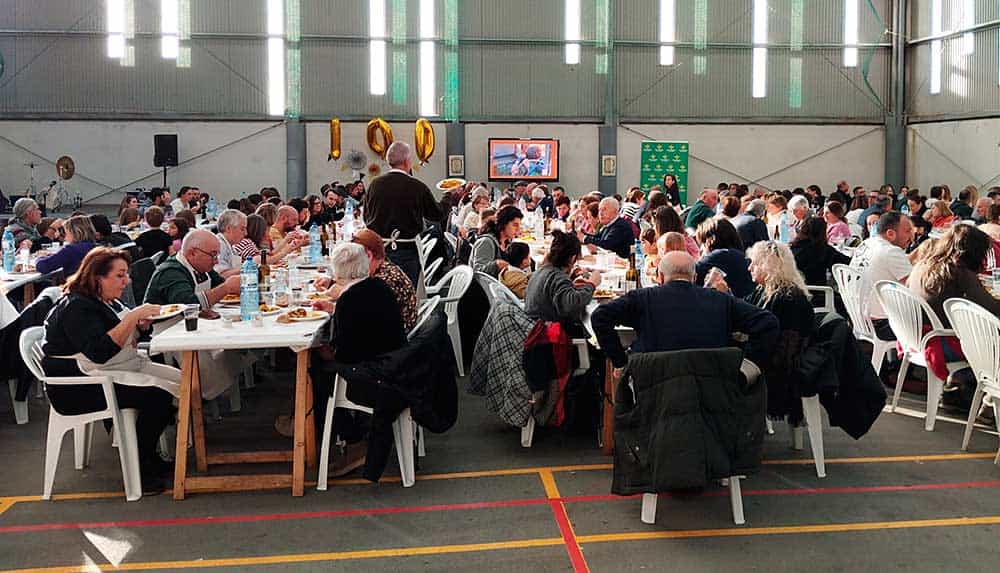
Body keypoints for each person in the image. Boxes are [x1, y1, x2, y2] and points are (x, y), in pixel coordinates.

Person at [41, 247, 178, 493]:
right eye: (120, 275)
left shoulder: (104, 301)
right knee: (158, 398)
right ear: (97, 278)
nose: (127, 281)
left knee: (182, 383)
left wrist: (141, 325)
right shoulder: (77, 307)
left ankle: (147, 456)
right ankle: (140, 467)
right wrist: (133, 317)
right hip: (78, 386)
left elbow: (121, 336)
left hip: (106, 371)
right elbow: (100, 351)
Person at [309, 243, 408, 476]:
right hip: (395, 362)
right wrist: (334, 310)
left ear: (338, 272)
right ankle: (321, 429)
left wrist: (323, 350)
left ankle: (350, 439)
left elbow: (346, 354)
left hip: (376, 373)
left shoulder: (350, 299)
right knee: (319, 364)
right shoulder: (377, 286)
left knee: (317, 373)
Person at [591, 251, 778, 370]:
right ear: (694, 276)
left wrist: (620, 362)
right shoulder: (721, 301)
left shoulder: (642, 298)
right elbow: (768, 322)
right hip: (712, 387)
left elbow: (600, 316)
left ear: (660, 277)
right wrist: (746, 364)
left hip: (653, 387)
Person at [144, 229, 245, 400]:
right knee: (223, 355)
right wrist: (226, 288)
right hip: (171, 336)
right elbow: (188, 304)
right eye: (213, 255)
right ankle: (193, 401)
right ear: (192, 253)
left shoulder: (202, 268)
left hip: (196, 327)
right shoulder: (171, 272)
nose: (216, 260)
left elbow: (219, 284)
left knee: (238, 347)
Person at [363, 141, 462, 285]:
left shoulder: (374, 185)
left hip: (379, 252)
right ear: (407, 161)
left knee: (381, 293)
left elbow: (366, 217)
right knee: (405, 293)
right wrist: (448, 194)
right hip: (407, 252)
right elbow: (437, 214)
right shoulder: (416, 187)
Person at [744, 241, 816, 421]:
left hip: (780, 371)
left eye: (754, 263)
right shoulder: (767, 290)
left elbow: (769, 340)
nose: (750, 268)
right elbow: (743, 309)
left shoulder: (785, 298)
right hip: (775, 358)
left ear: (767, 266)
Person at [313, 229, 418, 331]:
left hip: (392, 343)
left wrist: (342, 292)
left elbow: (366, 322)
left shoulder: (385, 281)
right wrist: (334, 306)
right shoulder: (383, 269)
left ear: (368, 255)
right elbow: (365, 314)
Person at [909, 225, 1000, 323]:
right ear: (975, 252)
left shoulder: (924, 263)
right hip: (943, 331)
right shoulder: (959, 271)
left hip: (917, 325)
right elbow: (992, 307)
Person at [850, 212, 915, 341]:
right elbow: (916, 286)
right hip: (884, 324)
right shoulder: (891, 251)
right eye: (907, 231)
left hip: (859, 319)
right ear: (890, 234)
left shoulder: (865, 244)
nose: (912, 236)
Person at [524, 230, 602, 336]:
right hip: (552, 337)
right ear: (573, 258)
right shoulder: (557, 277)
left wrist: (571, 282)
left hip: (537, 331)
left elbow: (555, 294)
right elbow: (572, 305)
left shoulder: (542, 271)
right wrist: (592, 284)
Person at [694, 218, 755, 298]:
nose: (701, 248)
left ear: (709, 241)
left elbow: (691, 274)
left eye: (702, 243)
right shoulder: (742, 257)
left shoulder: (716, 257)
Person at [790, 217, 851, 287]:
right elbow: (847, 262)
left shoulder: (793, 248)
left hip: (797, 291)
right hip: (820, 291)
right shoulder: (824, 250)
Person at [471, 205, 523, 277]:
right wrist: (497, 265)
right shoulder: (486, 242)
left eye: (519, 225)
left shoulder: (506, 241)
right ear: (504, 224)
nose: (518, 229)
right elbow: (477, 271)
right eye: (515, 225)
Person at [213, 209, 248, 278]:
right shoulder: (220, 245)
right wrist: (249, 266)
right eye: (242, 229)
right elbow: (221, 276)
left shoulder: (230, 245)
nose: (246, 233)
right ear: (228, 229)